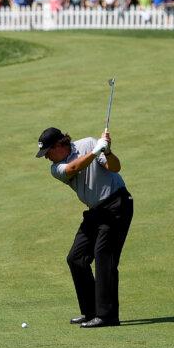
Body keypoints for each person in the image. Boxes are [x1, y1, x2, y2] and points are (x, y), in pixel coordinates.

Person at [36, 125, 132, 329]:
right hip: (95, 211)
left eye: (47, 152)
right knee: (76, 258)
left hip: (117, 204)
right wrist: (96, 151)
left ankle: (107, 316)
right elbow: (74, 168)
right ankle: (90, 311)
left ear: (59, 145)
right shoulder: (57, 168)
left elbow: (115, 167)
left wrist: (107, 151)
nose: (46, 157)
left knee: (104, 256)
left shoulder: (88, 143)